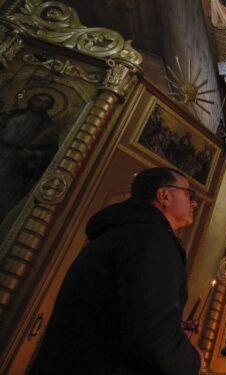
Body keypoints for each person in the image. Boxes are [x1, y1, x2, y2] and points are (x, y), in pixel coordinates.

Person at [29, 167, 201, 374]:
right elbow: (153, 339)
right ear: (164, 195)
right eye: (188, 194)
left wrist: (174, 328)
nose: (194, 202)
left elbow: (117, 314)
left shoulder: (124, 233)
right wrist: (192, 360)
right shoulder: (150, 240)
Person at [0, 93, 59, 224]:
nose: (40, 104)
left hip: (16, 164)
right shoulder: (13, 114)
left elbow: (50, 151)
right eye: (38, 99)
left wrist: (33, 154)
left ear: (49, 107)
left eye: (45, 103)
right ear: (30, 100)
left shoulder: (49, 127)